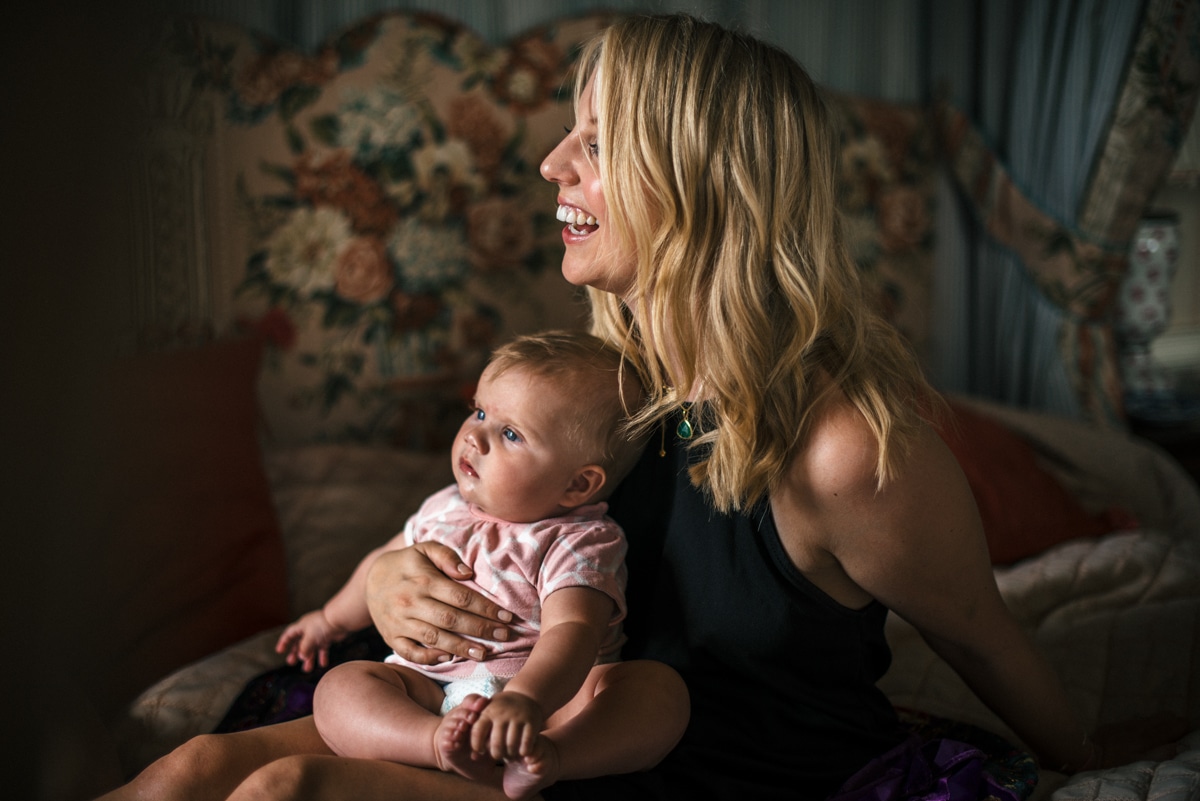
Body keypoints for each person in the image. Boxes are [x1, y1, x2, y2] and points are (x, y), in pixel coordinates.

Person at [97, 13, 1172, 801]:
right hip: (509, 718)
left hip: (690, 770)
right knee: (191, 765)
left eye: (599, 143)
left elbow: (986, 637)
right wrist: (385, 581)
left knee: (286, 795)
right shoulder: (607, 382)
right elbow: (491, 524)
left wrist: (1091, 766)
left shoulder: (849, 451)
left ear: (707, 186)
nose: (549, 161)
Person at [95, 331, 687, 801]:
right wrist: (328, 619)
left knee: (656, 692)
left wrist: (526, 701)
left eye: (510, 433)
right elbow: (383, 559)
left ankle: (553, 764)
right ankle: (436, 746)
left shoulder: (580, 539)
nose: (474, 438)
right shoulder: (443, 508)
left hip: (544, 713)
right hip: (426, 694)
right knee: (342, 688)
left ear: (577, 483)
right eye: (479, 413)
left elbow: (573, 632)